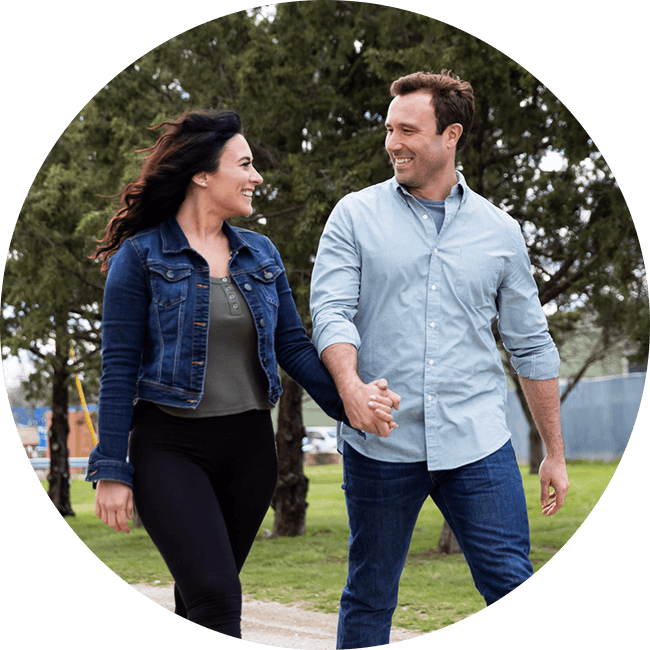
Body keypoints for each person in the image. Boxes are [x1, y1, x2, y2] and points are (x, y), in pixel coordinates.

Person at [85, 108, 399, 638]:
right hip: (169, 447)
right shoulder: (140, 257)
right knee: (216, 596)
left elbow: (294, 347)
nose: (257, 177)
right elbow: (116, 368)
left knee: (200, 599)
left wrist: (353, 399)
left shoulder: (260, 254)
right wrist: (111, 467)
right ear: (203, 174)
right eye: (245, 164)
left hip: (251, 450)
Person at [310, 71, 570, 648]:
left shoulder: (500, 232)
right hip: (381, 442)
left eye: (407, 129)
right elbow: (331, 313)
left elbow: (530, 344)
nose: (392, 142)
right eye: (388, 128)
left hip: (476, 442)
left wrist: (554, 451)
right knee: (370, 593)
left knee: (509, 581)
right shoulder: (354, 215)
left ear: (450, 135)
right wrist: (350, 386)